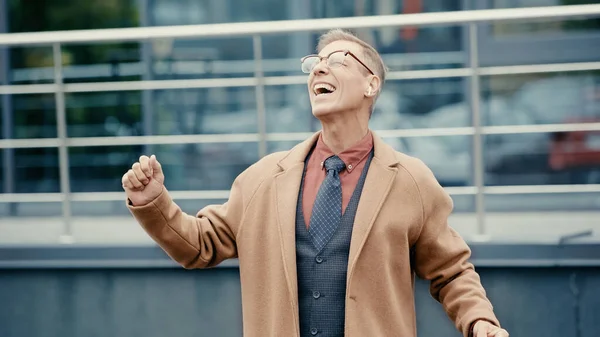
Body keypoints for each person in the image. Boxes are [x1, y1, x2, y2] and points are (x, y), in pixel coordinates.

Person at [122, 29, 509, 337]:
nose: (319, 70)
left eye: (337, 60)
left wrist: (480, 322)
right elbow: (200, 244)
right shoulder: (261, 179)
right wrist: (155, 203)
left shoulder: (412, 181)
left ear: (370, 85)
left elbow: (452, 271)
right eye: (315, 63)